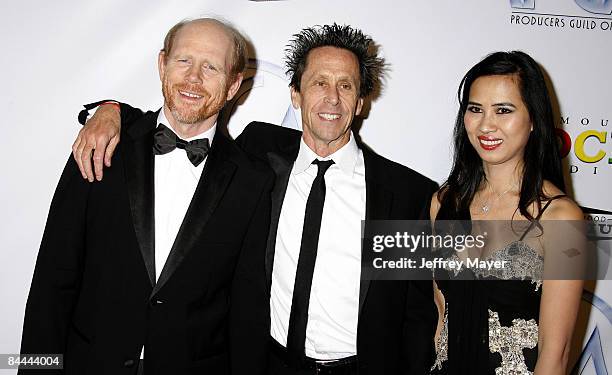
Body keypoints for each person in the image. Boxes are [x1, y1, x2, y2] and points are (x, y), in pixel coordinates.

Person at [71, 23, 438, 375]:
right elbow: (182, 121)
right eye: (319, 83)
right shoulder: (259, 156)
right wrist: (111, 110)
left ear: (360, 102)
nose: (332, 98)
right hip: (268, 366)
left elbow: (418, 317)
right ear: (296, 94)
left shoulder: (403, 194)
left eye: (346, 86)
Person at [20, 18, 273, 375]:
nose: (194, 78)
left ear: (233, 85)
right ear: (161, 64)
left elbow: (247, 311)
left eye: (211, 67)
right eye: (184, 60)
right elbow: (52, 279)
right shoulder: (101, 145)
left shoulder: (252, 181)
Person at [429, 51, 584, 374]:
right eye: (475, 109)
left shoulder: (560, 218)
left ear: (533, 121)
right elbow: (441, 315)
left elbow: (556, 353)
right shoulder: (443, 203)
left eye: (504, 110)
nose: (486, 124)